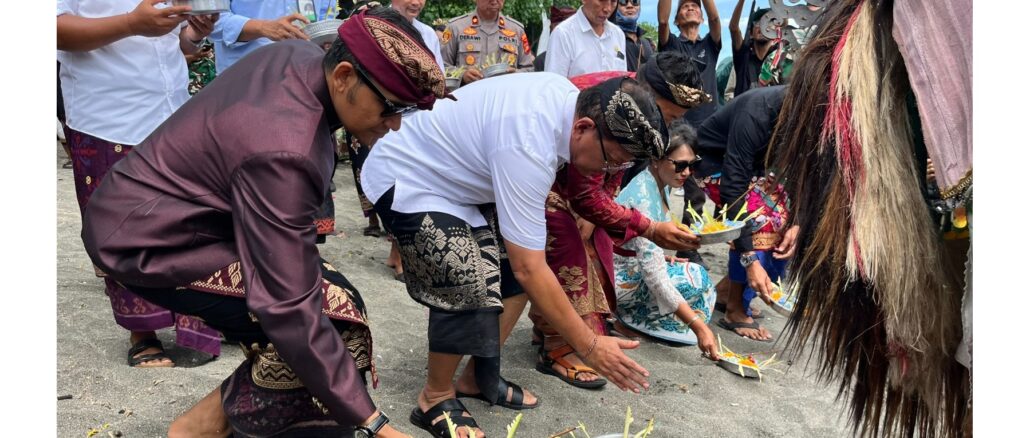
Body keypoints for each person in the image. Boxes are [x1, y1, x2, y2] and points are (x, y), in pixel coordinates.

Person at [80, 8, 448, 437]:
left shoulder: (300, 55)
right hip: (147, 241)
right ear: (344, 75)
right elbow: (289, 304)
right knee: (329, 322)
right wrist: (373, 423)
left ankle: (203, 424)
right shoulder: (285, 152)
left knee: (331, 302)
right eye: (390, 106)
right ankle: (212, 428)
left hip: (160, 212)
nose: (396, 124)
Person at [361, 74, 663, 437]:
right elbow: (529, 268)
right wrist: (590, 345)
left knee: (510, 268)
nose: (608, 172)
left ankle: (478, 376)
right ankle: (435, 397)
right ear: (583, 127)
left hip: (460, 182)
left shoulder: (569, 104)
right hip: (408, 174)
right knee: (466, 273)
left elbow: (525, 266)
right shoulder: (528, 142)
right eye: (612, 161)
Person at [531, 53, 710, 389]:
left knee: (595, 240)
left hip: (581, 177)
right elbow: (593, 173)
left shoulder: (632, 109)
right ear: (646, 93)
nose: (669, 123)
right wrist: (648, 227)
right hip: (546, 174)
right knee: (568, 240)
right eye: (668, 114)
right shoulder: (612, 99)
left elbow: (616, 166)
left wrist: (601, 209)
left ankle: (558, 331)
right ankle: (558, 345)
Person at [58, 0, 220, 368]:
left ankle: (197, 323)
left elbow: (171, 45)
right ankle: (142, 332)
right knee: (121, 228)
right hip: (107, 114)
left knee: (186, 223)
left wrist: (194, 32)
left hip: (171, 110)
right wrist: (133, 22)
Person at [692, 85, 799, 341]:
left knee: (782, 215)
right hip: (711, 163)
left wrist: (798, 223)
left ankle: (730, 289)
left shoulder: (806, 114)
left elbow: (805, 177)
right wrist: (750, 259)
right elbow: (734, 188)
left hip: (751, 169)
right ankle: (735, 310)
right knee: (761, 218)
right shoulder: (756, 113)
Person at [613, 120, 719, 354]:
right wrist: (699, 327)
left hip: (631, 265)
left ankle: (643, 319)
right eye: (680, 165)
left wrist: (665, 256)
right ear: (656, 159)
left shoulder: (660, 183)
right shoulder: (644, 193)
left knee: (696, 274)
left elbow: (646, 247)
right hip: (617, 278)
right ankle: (629, 318)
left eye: (692, 165)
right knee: (693, 281)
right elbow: (655, 276)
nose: (687, 173)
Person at [656, 0, 721, 126]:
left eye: (695, 6)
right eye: (685, 7)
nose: (690, 8)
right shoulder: (672, 44)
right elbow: (663, 22)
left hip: (711, 123)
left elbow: (714, 19)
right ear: (676, 21)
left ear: (702, 18)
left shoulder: (710, 44)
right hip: (680, 124)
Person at [440, 0, 535, 85]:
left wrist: (515, 74)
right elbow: (440, 66)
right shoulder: (455, 28)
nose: (494, 1)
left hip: (504, 98)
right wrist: (462, 75)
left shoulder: (517, 31)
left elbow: (530, 70)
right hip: (468, 98)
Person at [545, 0, 625, 78]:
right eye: (601, 0)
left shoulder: (618, 34)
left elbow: (623, 79)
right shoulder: (563, 34)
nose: (608, 9)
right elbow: (554, 86)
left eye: (613, 1)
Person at [729, 3, 776, 96]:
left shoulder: (779, 59)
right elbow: (733, 28)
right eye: (758, 23)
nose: (763, 26)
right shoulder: (743, 58)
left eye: (769, 22)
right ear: (751, 34)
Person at [612, 0, 654, 72]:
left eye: (635, 1)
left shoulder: (647, 43)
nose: (630, 6)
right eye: (623, 1)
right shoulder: (610, 37)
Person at [533, 5, 577, 72]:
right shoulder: (540, 61)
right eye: (557, 29)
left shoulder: (583, 56)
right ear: (550, 29)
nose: (561, 34)